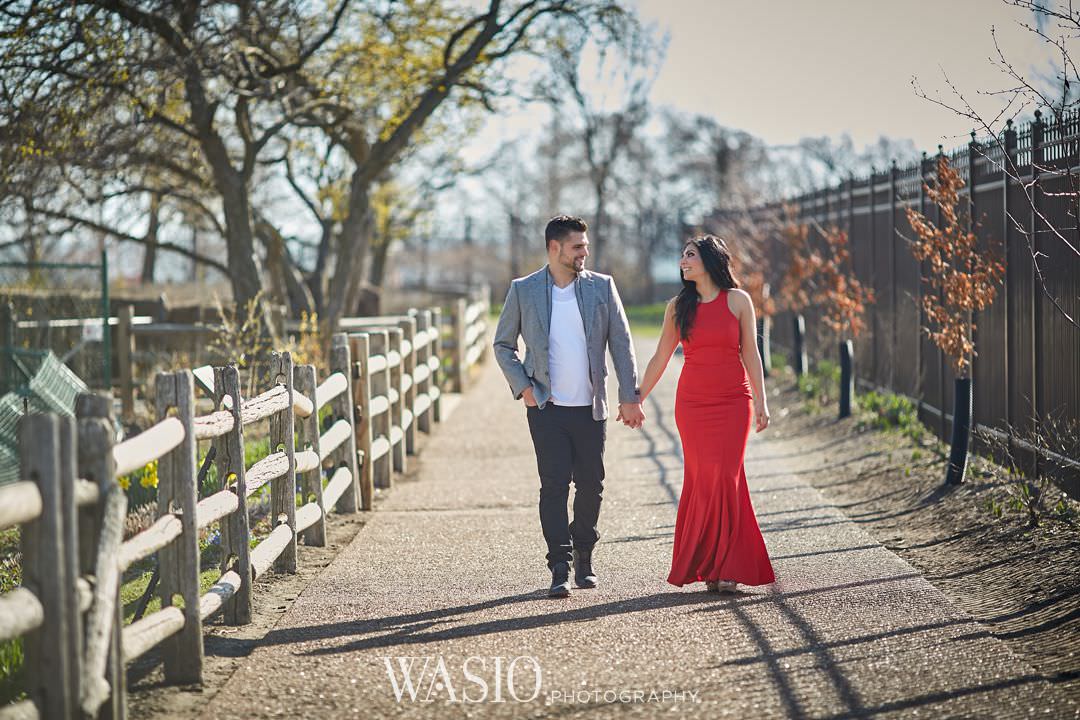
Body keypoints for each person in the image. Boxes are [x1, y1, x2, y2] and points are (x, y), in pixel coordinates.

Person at [493, 215, 645, 598]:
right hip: (547, 408)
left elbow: (622, 345)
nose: (585, 252)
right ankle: (559, 565)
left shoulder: (602, 287)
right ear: (554, 248)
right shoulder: (524, 290)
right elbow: (503, 345)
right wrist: (524, 388)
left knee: (592, 484)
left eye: (586, 246)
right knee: (554, 486)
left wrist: (630, 396)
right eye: (577, 246)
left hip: (590, 408)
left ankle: (585, 554)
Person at [636, 235, 775, 592]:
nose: (683, 261)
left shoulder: (739, 301)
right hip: (693, 405)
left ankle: (727, 566)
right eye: (682, 255)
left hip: (733, 403)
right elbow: (660, 358)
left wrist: (761, 401)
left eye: (690, 255)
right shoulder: (677, 307)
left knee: (727, 477)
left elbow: (751, 355)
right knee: (702, 478)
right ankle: (710, 567)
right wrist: (637, 397)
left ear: (710, 260)